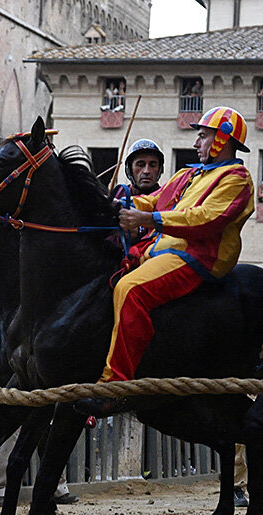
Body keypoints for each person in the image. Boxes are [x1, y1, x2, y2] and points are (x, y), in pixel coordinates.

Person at [77, 107, 255, 416]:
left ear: (221, 140)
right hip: (161, 251)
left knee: (130, 290)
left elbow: (204, 219)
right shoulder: (189, 174)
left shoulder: (238, 179)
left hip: (197, 257)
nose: (197, 142)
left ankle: (115, 387)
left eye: (202, 136)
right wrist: (116, 204)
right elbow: (154, 201)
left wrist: (146, 218)